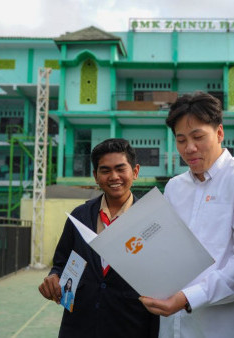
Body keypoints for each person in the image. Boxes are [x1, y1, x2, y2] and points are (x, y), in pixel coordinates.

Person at [140, 91, 234, 338]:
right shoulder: (174, 187)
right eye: (181, 140)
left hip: (223, 327)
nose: (189, 148)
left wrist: (188, 298)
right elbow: (166, 249)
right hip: (172, 326)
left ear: (219, 133)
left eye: (198, 137)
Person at [38, 138, 159, 338]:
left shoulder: (151, 221)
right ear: (95, 176)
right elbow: (61, 262)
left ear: (135, 172)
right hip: (79, 327)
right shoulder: (79, 216)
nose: (114, 176)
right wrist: (53, 277)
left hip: (131, 326)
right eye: (105, 170)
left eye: (121, 169)